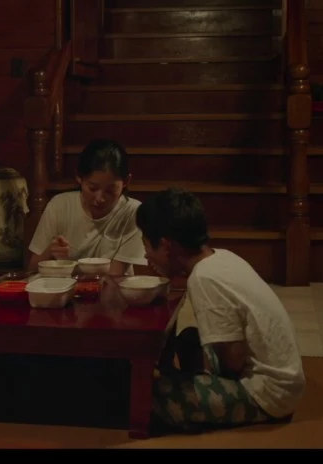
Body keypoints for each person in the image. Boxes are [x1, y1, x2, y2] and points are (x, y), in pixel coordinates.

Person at [134, 187, 305, 432]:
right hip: (282, 378)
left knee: (148, 395)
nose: (146, 255)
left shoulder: (204, 278)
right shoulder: (221, 257)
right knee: (189, 338)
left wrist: (202, 380)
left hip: (270, 393)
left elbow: (233, 361)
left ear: (166, 245)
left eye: (148, 247)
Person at [26, 138, 147, 275]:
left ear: (126, 182)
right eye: (92, 188)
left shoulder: (133, 212)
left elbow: (116, 275)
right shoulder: (60, 206)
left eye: (110, 190)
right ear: (79, 178)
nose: (100, 198)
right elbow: (32, 269)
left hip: (113, 287)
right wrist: (50, 251)